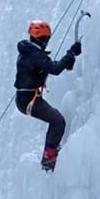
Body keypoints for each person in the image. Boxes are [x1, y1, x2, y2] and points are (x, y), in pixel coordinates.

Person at [14, 20, 82, 171]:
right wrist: (71, 53)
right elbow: (55, 69)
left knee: (56, 119)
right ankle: (48, 159)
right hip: (28, 101)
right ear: (43, 39)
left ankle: (49, 155)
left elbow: (46, 67)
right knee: (58, 121)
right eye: (47, 38)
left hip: (25, 98)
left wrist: (68, 61)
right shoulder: (35, 55)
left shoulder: (28, 51)